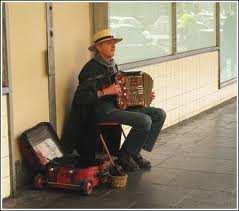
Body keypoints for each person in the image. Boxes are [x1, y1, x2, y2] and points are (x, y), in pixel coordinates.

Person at [61, 28, 166, 171]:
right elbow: (81, 97)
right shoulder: (90, 69)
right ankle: (125, 155)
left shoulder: (112, 65)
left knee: (159, 114)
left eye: (114, 42)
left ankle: (134, 152)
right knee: (144, 120)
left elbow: (121, 92)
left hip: (116, 106)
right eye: (108, 43)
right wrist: (105, 91)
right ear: (98, 47)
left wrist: (142, 98)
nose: (113, 45)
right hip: (101, 110)